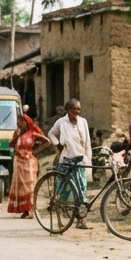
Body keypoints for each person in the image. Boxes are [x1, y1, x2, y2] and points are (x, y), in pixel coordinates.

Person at [47, 98, 93, 228]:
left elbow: (87, 142)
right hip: (66, 161)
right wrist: (58, 145)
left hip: (80, 161)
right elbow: (51, 133)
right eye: (74, 109)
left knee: (81, 190)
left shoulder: (83, 122)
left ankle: (81, 220)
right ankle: (61, 218)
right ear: (68, 109)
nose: (77, 111)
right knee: (65, 191)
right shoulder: (61, 122)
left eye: (79, 109)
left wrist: (88, 159)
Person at [7, 114, 49, 218]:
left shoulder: (33, 133)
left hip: (29, 163)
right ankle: (24, 210)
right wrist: (17, 136)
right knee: (20, 187)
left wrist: (35, 152)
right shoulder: (17, 133)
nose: (19, 124)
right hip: (18, 162)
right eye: (18, 122)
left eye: (21, 122)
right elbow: (11, 145)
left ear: (26, 122)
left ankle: (30, 210)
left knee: (29, 187)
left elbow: (47, 142)